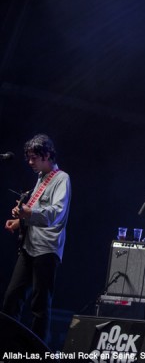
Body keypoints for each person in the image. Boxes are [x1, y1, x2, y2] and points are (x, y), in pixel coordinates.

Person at [3, 134, 71, 343]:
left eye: (34, 158)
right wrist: (20, 220)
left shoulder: (61, 178)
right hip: (29, 246)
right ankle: (7, 346)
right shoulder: (41, 178)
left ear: (48, 155)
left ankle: (37, 353)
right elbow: (35, 211)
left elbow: (55, 213)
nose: (30, 162)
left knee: (40, 305)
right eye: (29, 158)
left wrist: (28, 213)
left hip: (47, 248)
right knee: (11, 300)